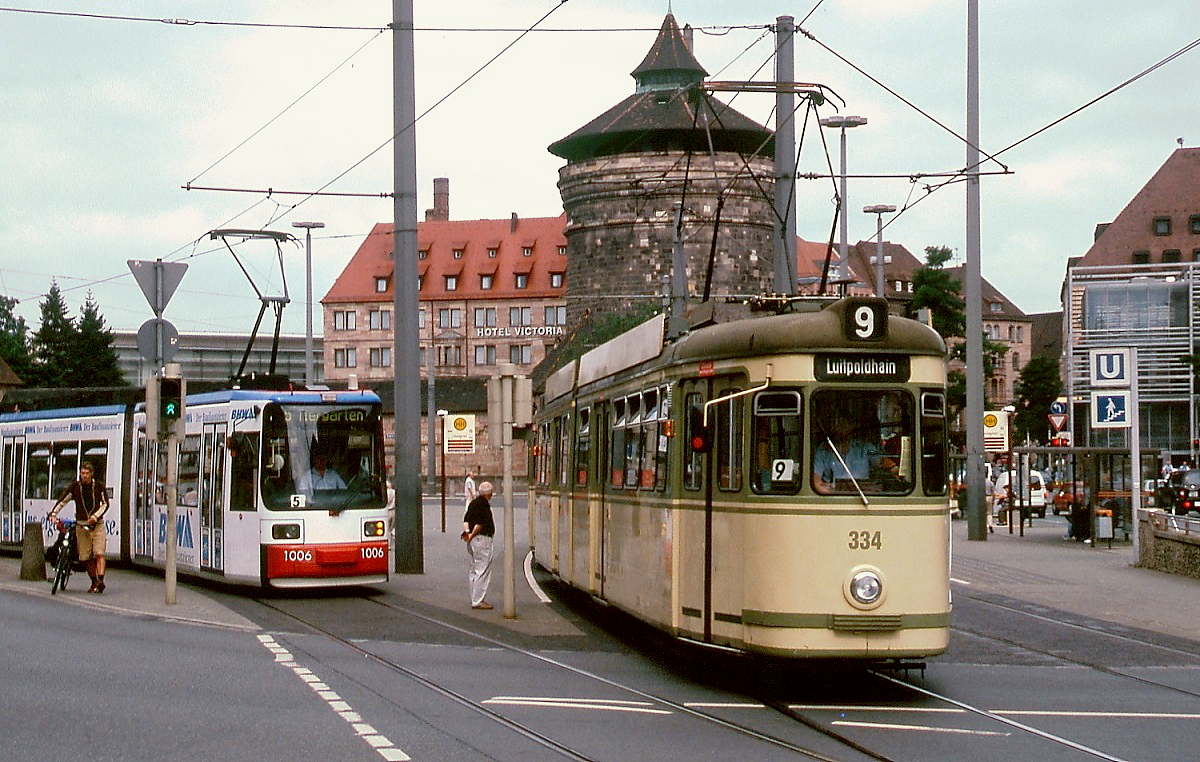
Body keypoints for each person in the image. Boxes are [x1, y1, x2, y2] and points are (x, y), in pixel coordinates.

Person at [46, 461, 109, 593]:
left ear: (92, 474)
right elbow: (62, 501)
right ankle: (94, 582)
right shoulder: (75, 487)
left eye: (87, 473)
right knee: (85, 557)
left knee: (99, 553)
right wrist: (53, 514)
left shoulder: (99, 487)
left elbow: (105, 504)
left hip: (97, 525)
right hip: (81, 525)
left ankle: (101, 581)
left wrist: (95, 517)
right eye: (82, 473)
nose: (84, 476)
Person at [812, 409, 896, 494]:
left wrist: (893, 467)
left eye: (843, 424)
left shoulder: (864, 447)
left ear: (852, 426)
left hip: (863, 494)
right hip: (835, 496)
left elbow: (881, 461)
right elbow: (816, 480)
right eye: (835, 424)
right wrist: (830, 493)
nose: (839, 428)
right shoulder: (822, 450)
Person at [461, 481, 495, 610]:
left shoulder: (473, 503)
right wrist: (472, 534)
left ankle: (474, 596)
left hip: (472, 541)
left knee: (474, 569)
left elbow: (466, 520)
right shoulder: (484, 505)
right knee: (482, 569)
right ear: (489, 494)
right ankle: (478, 600)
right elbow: (480, 524)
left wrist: (467, 534)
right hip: (482, 540)